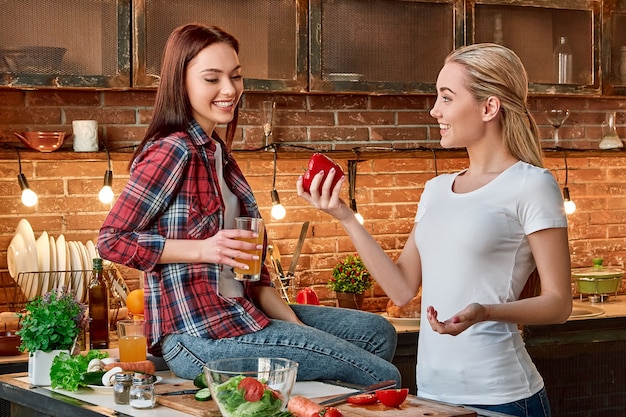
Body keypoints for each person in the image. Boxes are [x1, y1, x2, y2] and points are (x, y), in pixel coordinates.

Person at [97, 23, 400, 386]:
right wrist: (204, 249)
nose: (229, 90)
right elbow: (111, 239)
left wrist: (305, 335)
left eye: (236, 76)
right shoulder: (173, 149)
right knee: (382, 374)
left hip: (244, 314)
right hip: (201, 337)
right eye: (212, 79)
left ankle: (303, 403)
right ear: (181, 82)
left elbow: (255, 277)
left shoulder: (221, 157)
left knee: (378, 333)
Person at [297, 43, 572, 417]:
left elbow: (559, 303)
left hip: (503, 397)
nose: (434, 110)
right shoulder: (437, 189)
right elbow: (401, 288)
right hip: (432, 396)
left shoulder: (531, 184)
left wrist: (486, 312)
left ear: (489, 107)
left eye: (446, 97)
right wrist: (344, 215)